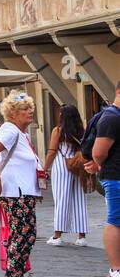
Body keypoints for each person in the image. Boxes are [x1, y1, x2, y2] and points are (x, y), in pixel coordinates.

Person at [0, 91, 45, 277]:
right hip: (15, 192)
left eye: (30, 108)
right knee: (24, 234)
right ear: (13, 113)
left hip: (20, 191)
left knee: (23, 233)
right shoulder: (10, 130)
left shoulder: (20, 133)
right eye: (24, 109)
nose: (30, 112)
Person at [83, 81, 120, 277]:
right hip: (115, 177)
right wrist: (98, 165)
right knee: (116, 221)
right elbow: (98, 152)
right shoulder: (111, 117)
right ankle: (116, 269)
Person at [44, 104, 88, 247]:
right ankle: (82, 237)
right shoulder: (82, 130)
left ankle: (57, 235)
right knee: (79, 200)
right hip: (78, 165)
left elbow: (52, 151)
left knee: (61, 198)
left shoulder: (58, 131)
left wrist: (44, 168)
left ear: (63, 116)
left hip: (61, 164)